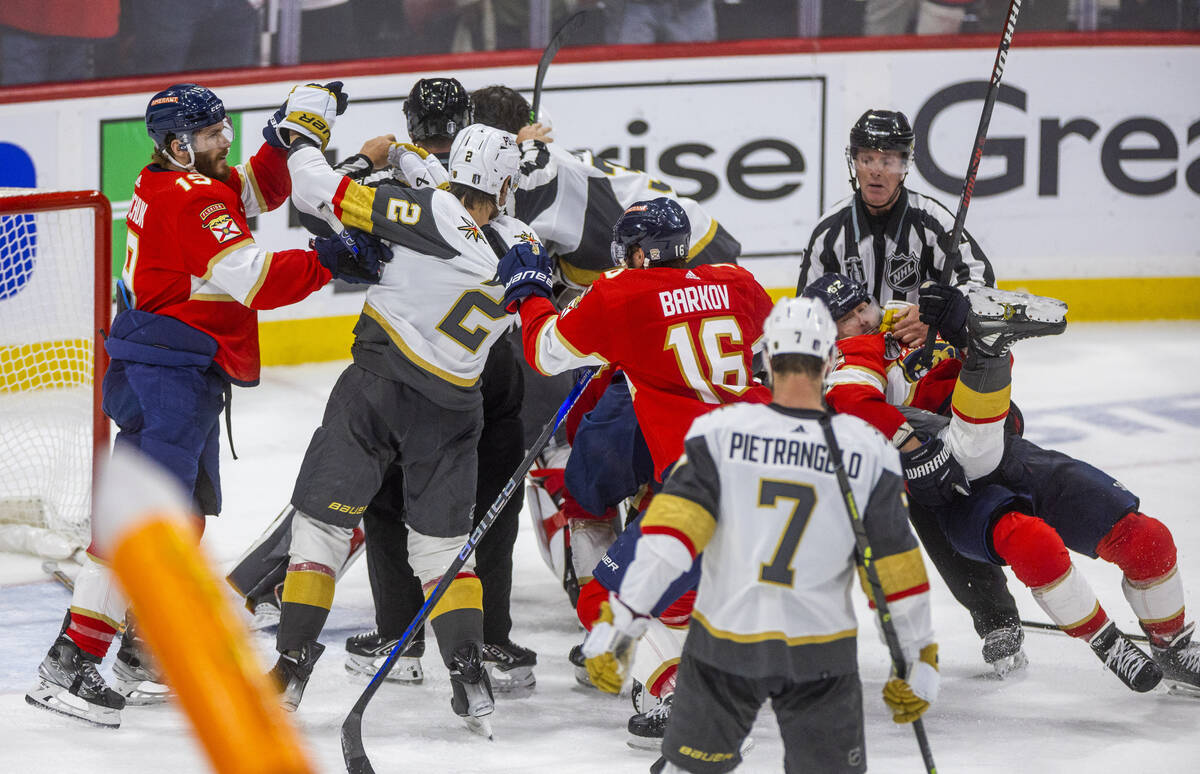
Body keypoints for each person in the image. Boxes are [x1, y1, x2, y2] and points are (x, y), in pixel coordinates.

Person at [24, 82, 387, 729]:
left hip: (179, 372)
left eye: (226, 128)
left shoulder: (181, 183)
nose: (227, 141)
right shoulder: (190, 202)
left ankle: (141, 649)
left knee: (182, 516)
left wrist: (284, 132)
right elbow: (254, 278)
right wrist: (331, 256)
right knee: (137, 525)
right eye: (213, 134)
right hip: (164, 378)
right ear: (177, 146)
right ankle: (69, 661)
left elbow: (254, 189)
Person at [227, 77, 538, 692]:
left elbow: (320, 190)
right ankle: (469, 669)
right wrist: (404, 159)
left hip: (379, 391)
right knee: (446, 547)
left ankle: (291, 668)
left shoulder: (427, 212)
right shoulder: (523, 245)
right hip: (459, 406)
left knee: (322, 526)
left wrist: (303, 135)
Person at [582, 296, 939, 774]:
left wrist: (621, 626)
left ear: (768, 359)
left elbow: (668, 542)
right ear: (832, 360)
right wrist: (919, 661)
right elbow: (896, 572)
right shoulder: (867, 452)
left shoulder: (718, 433)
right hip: (821, 651)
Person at [807, 273, 1200, 695]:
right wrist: (912, 445)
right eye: (846, 317)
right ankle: (1105, 640)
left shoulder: (913, 321)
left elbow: (1000, 370)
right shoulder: (850, 355)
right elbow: (851, 401)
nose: (863, 320)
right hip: (952, 487)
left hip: (1011, 453)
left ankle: (1172, 644)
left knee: (1147, 538)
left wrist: (960, 328)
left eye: (862, 306)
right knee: (1033, 543)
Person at [795, 108, 1022, 674]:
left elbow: (981, 287)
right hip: (855, 390)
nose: (878, 170)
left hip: (922, 391)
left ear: (905, 165)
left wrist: (940, 314)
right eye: (868, 158)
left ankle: (996, 617)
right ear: (853, 162)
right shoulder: (829, 232)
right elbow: (805, 316)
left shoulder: (932, 221)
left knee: (935, 493)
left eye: (890, 159)